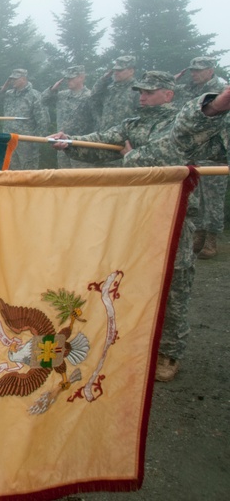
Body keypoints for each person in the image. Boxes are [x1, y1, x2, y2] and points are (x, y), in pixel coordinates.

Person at [50, 71, 192, 382]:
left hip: (171, 210)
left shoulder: (181, 123)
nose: (142, 95)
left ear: (168, 94)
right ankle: (137, 339)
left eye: (150, 91)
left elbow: (167, 156)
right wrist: (69, 142)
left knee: (174, 280)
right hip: (137, 210)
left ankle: (169, 351)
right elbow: (102, 141)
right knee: (132, 275)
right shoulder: (134, 123)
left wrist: (132, 157)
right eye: (141, 91)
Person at [175, 56, 227, 259]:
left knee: (213, 197)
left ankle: (212, 239)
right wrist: (175, 79)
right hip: (194, 150)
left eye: (199, 70)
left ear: (210, 70)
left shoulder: (221, 88)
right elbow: (167, 91)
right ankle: (199, 234)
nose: (194, 73)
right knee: (195, 196)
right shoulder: (190, 88)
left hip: (215, 151)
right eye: (193, 70)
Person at [0, 68, 49, 169]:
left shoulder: (34, 95)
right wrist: (3, 88)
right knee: (10, 173)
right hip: (9, 140)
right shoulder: (8, 94)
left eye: (15, 79)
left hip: (26, 143)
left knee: (28, 174)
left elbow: (43, 121)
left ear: (23, 79)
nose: (12, 81)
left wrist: (36, 142)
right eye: (11, 79)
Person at [41, 65, 92, 168]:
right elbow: (44, 101)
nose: (69, 81)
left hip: (80, 146)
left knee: (81, 179)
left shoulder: (89, 96)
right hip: (62, 146)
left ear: (81, 77)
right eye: (67, 78)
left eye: (71, 78)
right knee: (64, 179)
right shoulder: (62, 95)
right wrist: (52, 89)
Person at [87, 55, 139, 134]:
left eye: (120, 70)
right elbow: (93, 97)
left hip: (124, 139)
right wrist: (103, 80)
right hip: (104, 136)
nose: (116, 73)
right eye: (115, 70)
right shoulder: (110, 89)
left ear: (131, 71)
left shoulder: (137, 90)